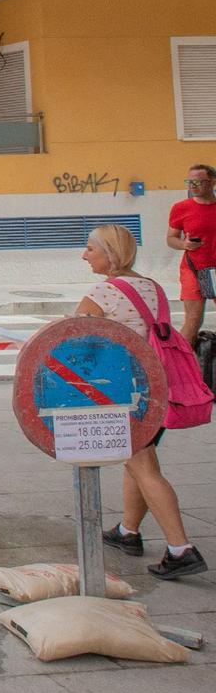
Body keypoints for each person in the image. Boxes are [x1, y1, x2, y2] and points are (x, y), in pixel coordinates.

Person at [79, 224, 206, 579]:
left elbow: (78, 346)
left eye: (90, 249)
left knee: (144, 467)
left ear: (111, 255)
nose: (84, 255)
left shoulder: (102, 294)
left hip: (123, 392)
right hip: (157, 388)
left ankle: (181, 549)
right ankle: (128, 532)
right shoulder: (154, 288)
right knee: (138, 461)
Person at [168, 162, 216, 342]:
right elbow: (171, 238)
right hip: (193, 268)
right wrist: (185, 244)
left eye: (197, 182)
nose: (192, 187)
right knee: (193, 320)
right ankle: (182, 365)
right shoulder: (181, 208)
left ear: (212, 182)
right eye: (189, 182)